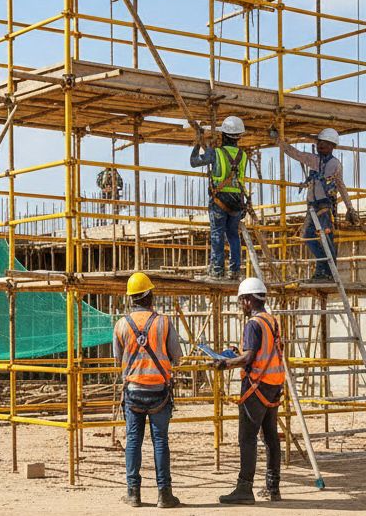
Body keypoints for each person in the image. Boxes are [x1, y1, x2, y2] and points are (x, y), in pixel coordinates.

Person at [113, 272, 182, 509]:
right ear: (150, 294)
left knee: (133, 441)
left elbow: (117, 359)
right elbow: (177, 356)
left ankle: (133, 494)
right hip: (159, 392)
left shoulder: (121, 324)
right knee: (160, 441)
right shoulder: (163, 322)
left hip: (133, 392)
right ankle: (165, 494)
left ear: (131, 298)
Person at [214, 277, 285, 504]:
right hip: (273, 385)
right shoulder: (271, 321)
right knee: (271, 437)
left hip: (256, 387)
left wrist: (225, 363)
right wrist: (239, 352)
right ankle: (273, 488)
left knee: (247, 437)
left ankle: (244, 488)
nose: (241, 307)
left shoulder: (254, 324)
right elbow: (262, 351)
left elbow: (250, 357)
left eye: (241, 302)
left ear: (247, 300)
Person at [272, 127, 358, 282]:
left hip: (324, 206)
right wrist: (279, 140)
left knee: (326, 238)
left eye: (324, 144)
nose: (320, 146)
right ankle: (322, 267)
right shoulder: (314, 160)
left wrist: (350, 207)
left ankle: (329, 272)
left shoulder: (334, 164)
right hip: (312, 206)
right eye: (319, 143)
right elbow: (295, 153)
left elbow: (341, 186)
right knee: (307, 236)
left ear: (332, 146)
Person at [191, 117, 249, 281]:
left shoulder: (216, 153)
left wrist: (198, 145)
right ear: (238, 137)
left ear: (223, 135)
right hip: (237, 201)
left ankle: (217, 270)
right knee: (233, 235)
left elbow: (194, 162)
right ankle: (235, 270)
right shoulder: (243, 155)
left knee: (217, 234)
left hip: (220, 200)